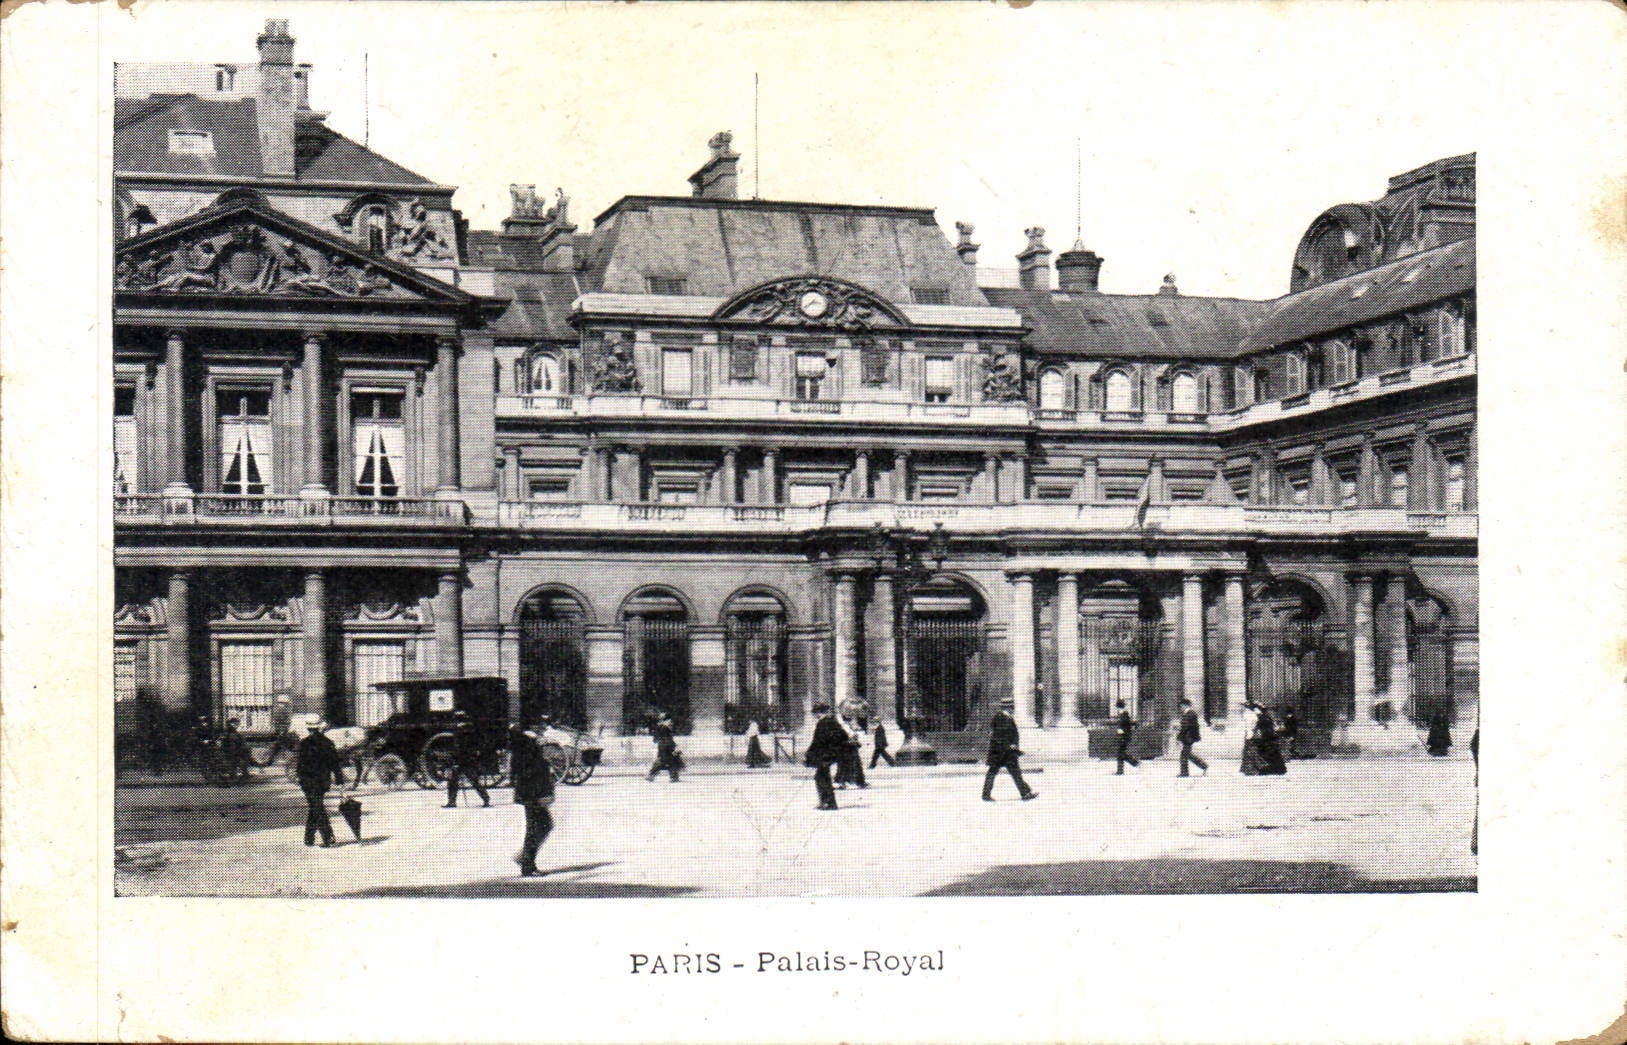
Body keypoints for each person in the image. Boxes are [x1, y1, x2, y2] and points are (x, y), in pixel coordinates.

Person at [510, 724, 556, 877]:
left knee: (541, 825)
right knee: (538, 827)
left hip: (530, 792)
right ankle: (527, 864)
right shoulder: (527, 745)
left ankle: (525, 859)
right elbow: (529, 770)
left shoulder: (527, 743)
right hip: (532, 793)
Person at [296, 717, 345, 847]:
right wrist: (340, 781)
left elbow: (300, 765)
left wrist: (299, 777)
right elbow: (335, 763)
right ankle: (309, 838)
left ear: (308, 728)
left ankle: (328, 837)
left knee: (316, 807)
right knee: (316, 806)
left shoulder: (304, 743)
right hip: (323, 781)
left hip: (308, 781)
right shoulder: (328, 742)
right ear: (319, 727)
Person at [983, 696, 1037, 801]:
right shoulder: (1000, 717)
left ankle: (1025, 793)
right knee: (995, 772)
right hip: (1001, 752)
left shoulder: (1007, 717)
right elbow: (998, 735)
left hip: (1005, 752)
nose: (1012, 709)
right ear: (1007, 708)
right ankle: (986, 795)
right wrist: (1009, 745)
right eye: (1011, 707)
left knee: (1013, 772)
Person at [804, 701, 848, 810]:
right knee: (822, 776)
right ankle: (827, 802)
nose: (815, 715)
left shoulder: (823, 723)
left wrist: (810, 753)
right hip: (831, 753)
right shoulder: (832, 721)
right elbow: (843, 736)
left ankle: (828, 803)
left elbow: (818, 741)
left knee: (822, 777)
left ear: (819, 712)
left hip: (825, 754)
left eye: (815, 713)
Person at [444, 710, 491, 808]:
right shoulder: (470, 728)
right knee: (473, 780)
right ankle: (485, 798)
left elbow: (458, 747)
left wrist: (455, 760)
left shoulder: (460, 730)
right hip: (469, 758)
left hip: (462, 758)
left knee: (454, 781)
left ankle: (452, 801)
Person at [1175, 697, 1207, 777]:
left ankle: (1184, 773)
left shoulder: (1189, 714)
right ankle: (1203, 765)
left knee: (1184, 755)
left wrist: (1179, 737)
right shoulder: (1190, 713)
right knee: (1187, 754)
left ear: (1184, 705)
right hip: (1189, 737)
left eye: (1181, 706)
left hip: (1188, 737)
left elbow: (1185, 727)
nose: (1180, 708)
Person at [1252, 705, 1289, 775]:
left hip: (1267, 738)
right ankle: (1278, 769)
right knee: (1272, 754)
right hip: (1269, 738)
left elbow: (1263, 729)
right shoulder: (1267, 718)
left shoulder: (1262, 719)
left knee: (1268, 754)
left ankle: (1270, 769)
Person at [647, 712, 683, 782]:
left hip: (664, 745)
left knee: (667, 760)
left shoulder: (661, 726)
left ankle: (652, 775)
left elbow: (656, 738)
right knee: (669, 760)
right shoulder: (665, 725)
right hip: (667, 745)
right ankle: (673, 777)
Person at [220, 717, 251, 781]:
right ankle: (236, 776)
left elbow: (239, 740)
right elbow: (228, 741)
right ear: (231, 723)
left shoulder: (233, 731)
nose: (237, 725)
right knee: (235, 762)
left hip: (234, 750)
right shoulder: (229, 732)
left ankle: (241, 774)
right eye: (235, 723)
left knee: (240, 761)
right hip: (230, 751)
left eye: (237, 724)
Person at [1114, 700, 1140, 775]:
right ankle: (1120, 771)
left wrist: (1121, 730)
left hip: (1124, 736)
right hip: (1123, 736)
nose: (1117, 709)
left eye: (1117, 707)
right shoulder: (1123, 714)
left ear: (1119, 707)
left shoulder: (1124, 714)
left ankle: (1135, 763)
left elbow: (1125, 724)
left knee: (1121, 753)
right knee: (1120, 753)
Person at [1239, 698, 1263, 775]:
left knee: (1250, 752)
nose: (1240, 707)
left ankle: (1252, 770)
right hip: (1250, 734)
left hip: (1250, 734)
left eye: (1242, 705)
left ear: (1245, 706)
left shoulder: (1248, 714)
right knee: (1249, 752)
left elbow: (1249, 726)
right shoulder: (1249, 713)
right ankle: (1250, 769)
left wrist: (1248, 734)